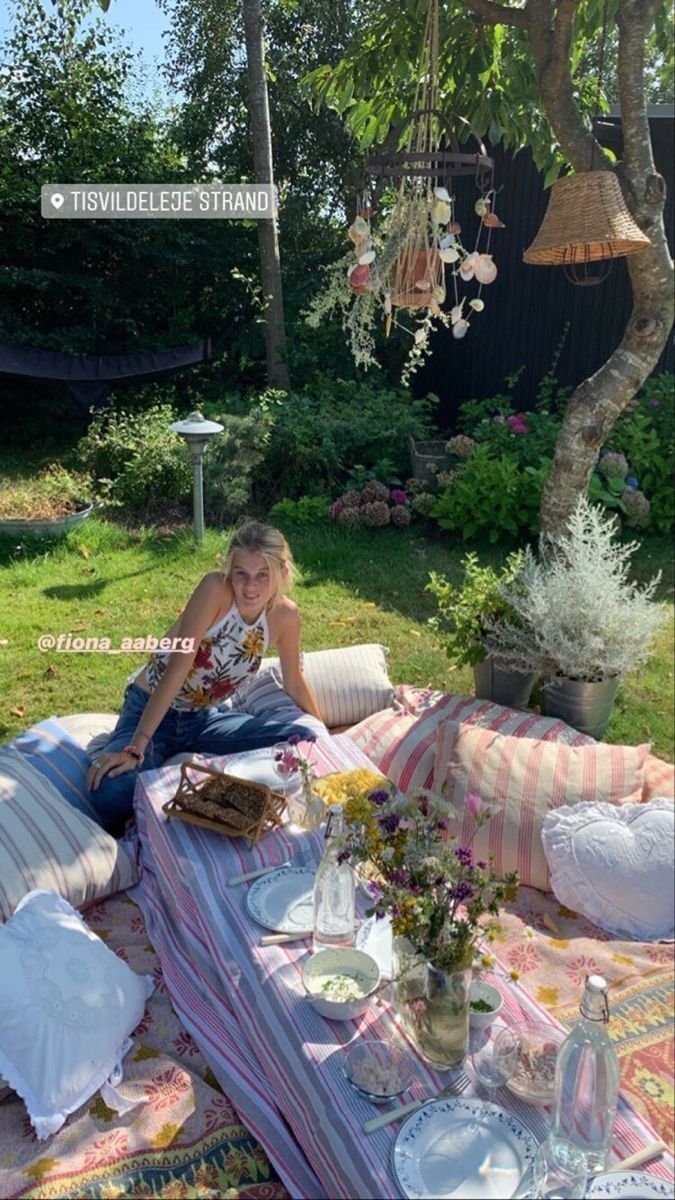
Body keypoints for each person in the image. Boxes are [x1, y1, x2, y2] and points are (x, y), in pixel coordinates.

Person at [87, 521, 325, 832]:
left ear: (282, 573)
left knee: (303, 742)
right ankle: (128, 759)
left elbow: (293, 681)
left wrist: (325, 736)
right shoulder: (215, 590)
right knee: (111, 791)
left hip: (202, 719)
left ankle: (174, 776)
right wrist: (137, 745)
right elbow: (177, 670)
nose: (250, 586)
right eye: (241, 573)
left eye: (262, 575)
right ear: (230, 570)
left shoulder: (286, 616)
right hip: (150, 709)